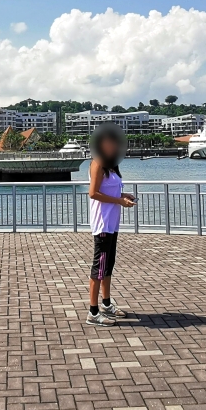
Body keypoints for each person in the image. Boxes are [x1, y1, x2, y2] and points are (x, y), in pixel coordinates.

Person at [86, 123, 135, 325]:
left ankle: (106, 304)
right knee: (99, 268)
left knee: (108, 266)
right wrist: (118, 201)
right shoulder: (97, 163)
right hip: (103, 224)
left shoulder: (112, 166)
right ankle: (93, 312)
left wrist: (123, 195)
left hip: (112, 223)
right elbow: (93, 193)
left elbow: (109, 191)